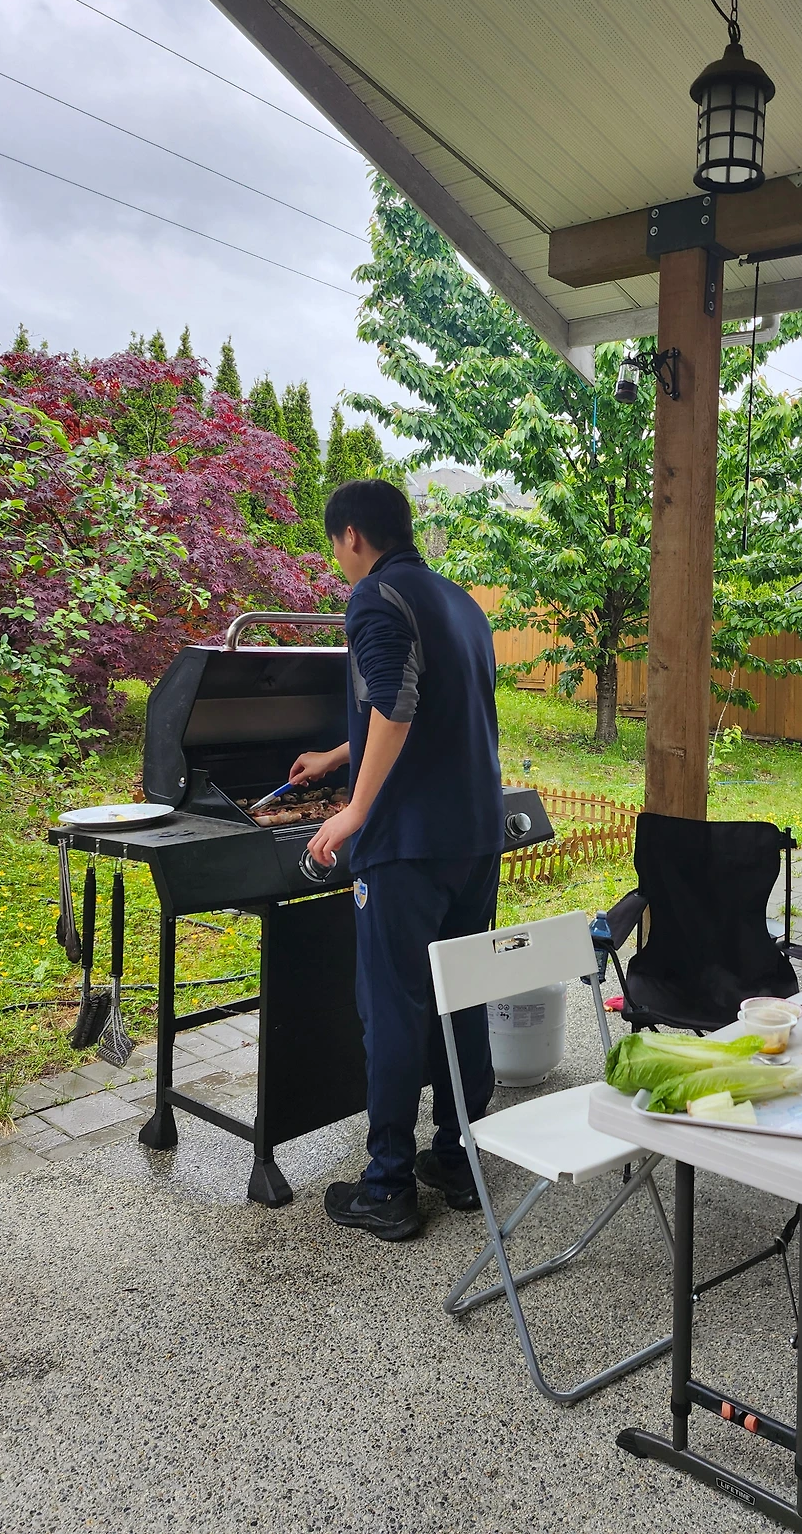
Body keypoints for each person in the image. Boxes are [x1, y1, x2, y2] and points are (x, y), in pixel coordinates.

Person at [291, 479, 503, 1243]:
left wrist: (354, 810)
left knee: (394, 1006)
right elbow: (431, 706)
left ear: (351, 535)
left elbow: (396, 703)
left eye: (335, 545)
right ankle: (456, 1159)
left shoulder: (374, 597)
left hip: (407, 844)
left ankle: (387, 1186)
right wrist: (337, 754)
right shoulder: (461, 603)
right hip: (475, 835)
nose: (339, 558)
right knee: (462, 994)